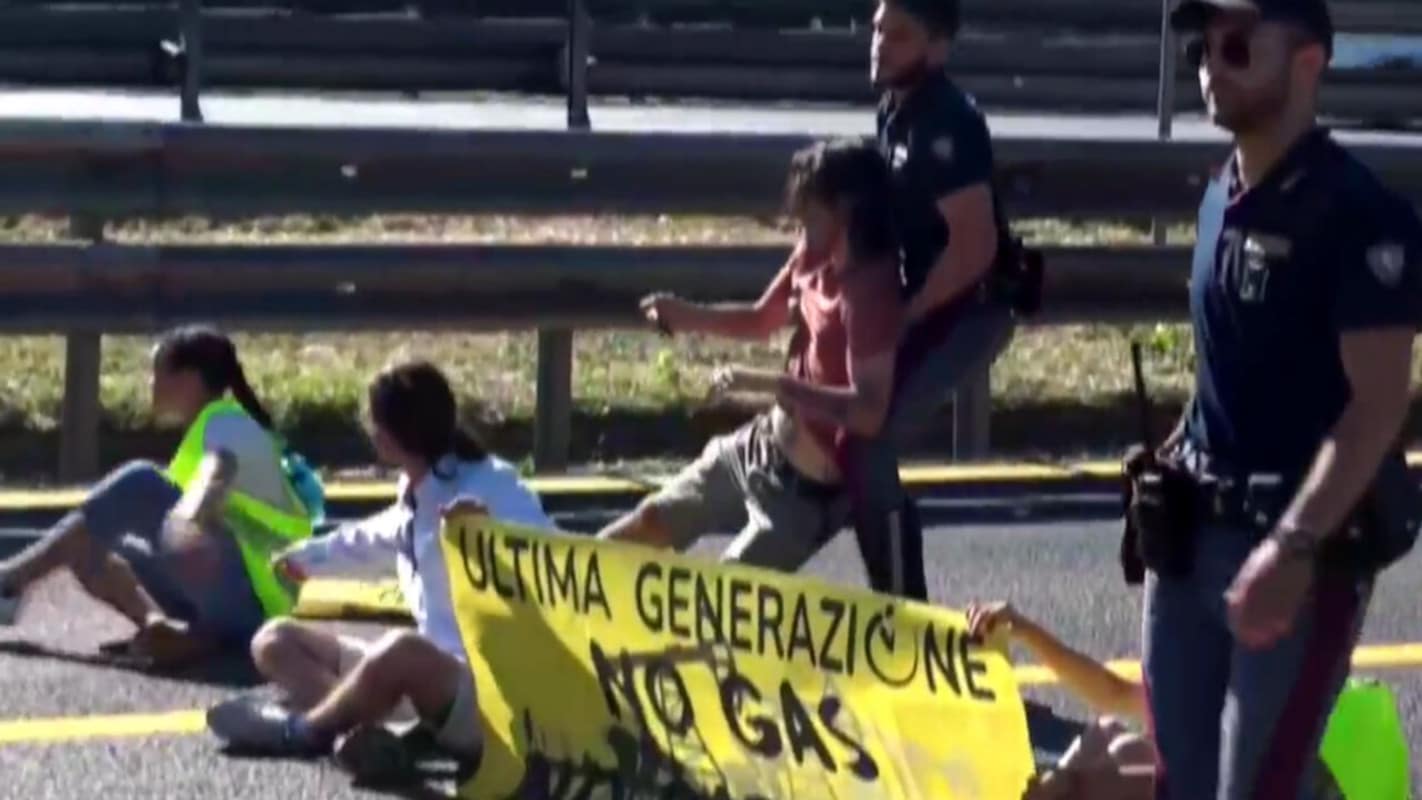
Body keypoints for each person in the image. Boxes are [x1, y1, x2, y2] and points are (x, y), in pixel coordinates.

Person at [1126, 1, 1422, 797]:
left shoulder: (1359, 215)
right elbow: (1226, 367)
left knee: (1259, 785)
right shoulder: (1220, 193)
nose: (1209, 65)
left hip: (1300, 554)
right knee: (1176, 779)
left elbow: (1379, 404)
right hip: (1189, 544)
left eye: (1234, 44)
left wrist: (1291, 548)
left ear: (1307, 63)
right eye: (1201, 46)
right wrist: (1172, 460)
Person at [205, 359, 554, 783]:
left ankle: (302, 732)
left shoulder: (494, 485)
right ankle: (361, 735)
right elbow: (373, 537)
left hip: (491, 701)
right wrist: (301, 559)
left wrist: (491, 535)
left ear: (388, 436)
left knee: (401, 650)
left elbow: (552, 562)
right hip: (429, 687)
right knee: (274, 640)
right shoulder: (416, 489)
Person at [597, 139, 902, 573]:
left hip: (804, 498)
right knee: (649, 523)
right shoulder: (811, 257)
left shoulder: (869, 293)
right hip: (759, 447)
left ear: (847, 210)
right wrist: (683, 314)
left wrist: (776, 386)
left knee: (713, 608)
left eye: (809, 217)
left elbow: (870, 410)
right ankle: (549, 602)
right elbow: (762, 319)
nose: (799, 232)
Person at [850, 0, 1032, 600]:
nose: (879, 42)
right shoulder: (894, 113)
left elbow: (974, 246)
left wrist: (904, 317)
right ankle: (893, 605)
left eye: (897, 35)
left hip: (971, 307)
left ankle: (907, 619)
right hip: (928, 300)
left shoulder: (947, 121)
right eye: (877, 28)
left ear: (937, 49)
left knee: (871, 436)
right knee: (856, 433)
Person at [0, 325, 318, 668]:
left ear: (190, 380)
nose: (150, 384)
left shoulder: (228, 425)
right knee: (85, 542)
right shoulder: (206, 428)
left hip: (256, 600)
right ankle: (158, 630)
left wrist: (189, 517)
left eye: (158, 374)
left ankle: (10, 582)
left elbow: (218, 469)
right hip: (226, 590)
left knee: (141, 480)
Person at [964, 603, 1347, 800]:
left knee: (1118, 759)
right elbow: (1111, 693)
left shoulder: (1260, 727)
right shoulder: (1207, 697)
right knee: (1109, 738)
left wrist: (1068, 785)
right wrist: (1024, 629)